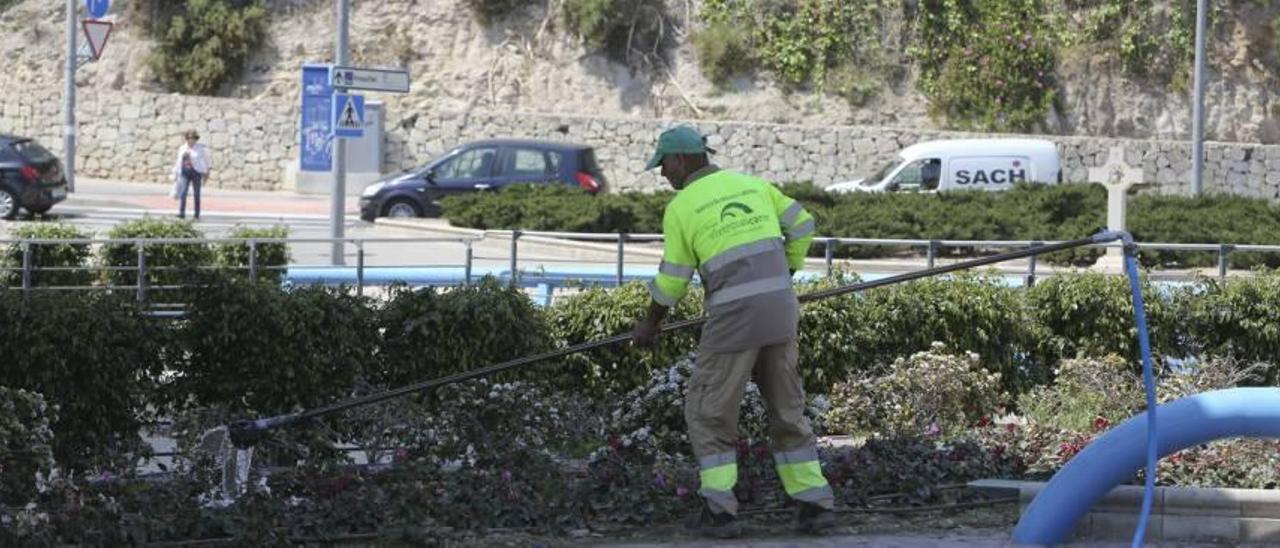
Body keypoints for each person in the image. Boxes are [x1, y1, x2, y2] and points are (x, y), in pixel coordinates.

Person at [631, 125, 835, 538]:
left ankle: (720, 511)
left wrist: (651, 323)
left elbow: (672, 279)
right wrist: (787, 271)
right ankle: (814, 505)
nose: (662, 174)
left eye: (663, 164)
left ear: (683, 160)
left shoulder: (682, 207)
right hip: (780, 312)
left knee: (708, 412)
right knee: (787, 410)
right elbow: (803, 224)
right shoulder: (753, 184)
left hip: (733, 319)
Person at [173, 129, 212, 219]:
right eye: (189, 138)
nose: (191, 140)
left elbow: (207, 160)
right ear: (186, 138)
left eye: (193, 138)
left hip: (196, 172)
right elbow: (178, 161)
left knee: (196, 193)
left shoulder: (200, 148)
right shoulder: (182, 148)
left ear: (196, 139)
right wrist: (176, 172)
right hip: (185, 172)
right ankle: (182, 212)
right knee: (183, 192)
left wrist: (207, 171)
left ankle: (196, 214)